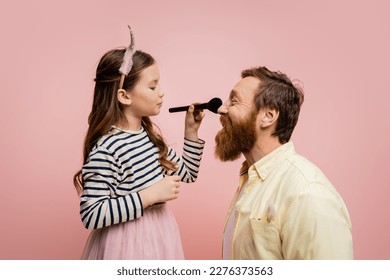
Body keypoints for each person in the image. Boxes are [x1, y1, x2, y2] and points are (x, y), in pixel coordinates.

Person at [73, 28, 205, 259]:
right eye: (153, 86)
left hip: (160, 234)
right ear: (124, 96)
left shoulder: (148, 138)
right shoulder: (108, 149)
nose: (161, 93)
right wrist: (149, 195)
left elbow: (188, 173)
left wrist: (191, 132)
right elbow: (91, 214)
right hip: (127, 245)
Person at [215, 66, 353, 259]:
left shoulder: (307, 192)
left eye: (234, 101)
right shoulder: (249, 182)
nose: (222, 108)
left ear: (268, 116)